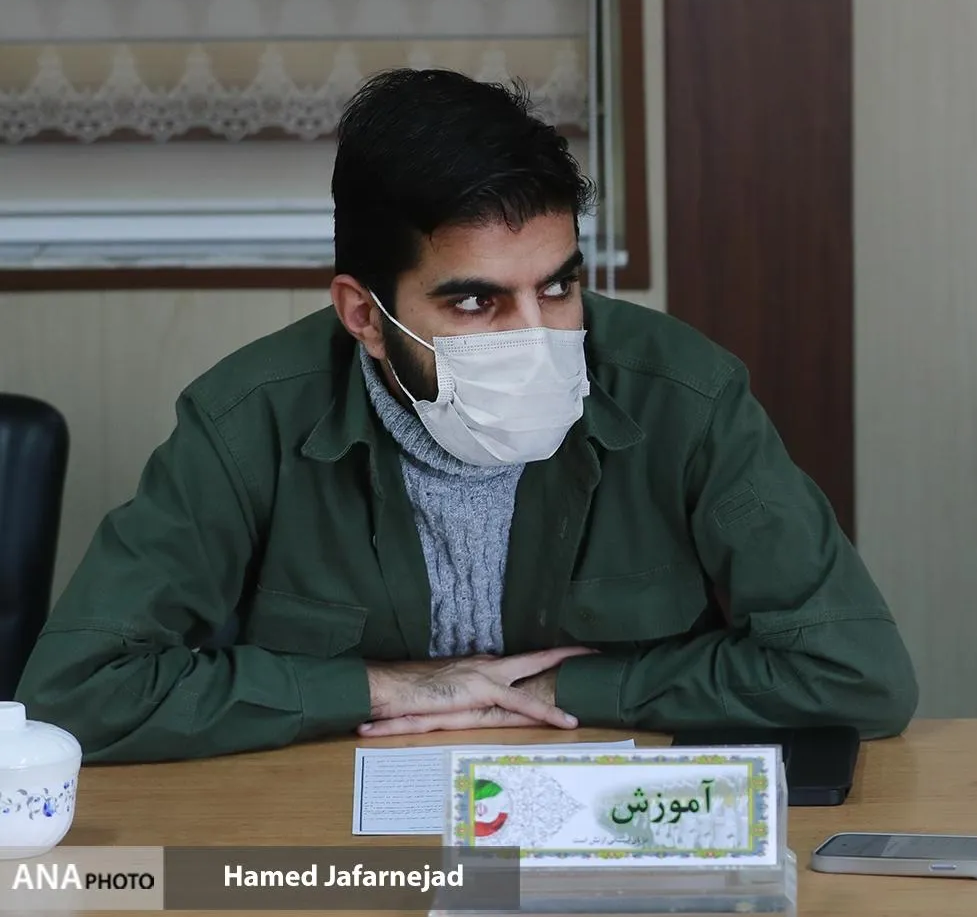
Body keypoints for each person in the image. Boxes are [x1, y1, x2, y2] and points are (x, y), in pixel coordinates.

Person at [19, 69, 918, 762]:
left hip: (614, 826)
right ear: (365, 315)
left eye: (557, 287)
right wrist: (385, 688)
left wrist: (568, 688)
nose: (536, 336)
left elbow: (858, 675)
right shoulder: (247, 418)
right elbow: (75, 693)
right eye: (478, 302)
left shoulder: (685, 394)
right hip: (339, 842)